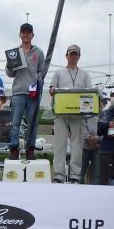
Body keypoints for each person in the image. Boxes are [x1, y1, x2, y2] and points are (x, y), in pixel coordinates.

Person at [49, 44, 93, 183]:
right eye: (71, 53)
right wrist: (54, 90)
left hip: (78, 114)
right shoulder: (58, 72)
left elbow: (90, 93)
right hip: (61, 113)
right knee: (59, 144)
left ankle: (75, 174)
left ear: (79, 56)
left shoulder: (85, 74)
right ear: (66, 55)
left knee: (77, 145)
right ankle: (59, 175)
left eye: (76, 54)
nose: (73, 56)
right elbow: (51, 89)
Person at [5, 22, 45, 159]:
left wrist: (38, 83)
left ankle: (30, 149)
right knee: (15, 123)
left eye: (28, 32)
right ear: (20, 35)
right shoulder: (14, 52)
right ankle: (14, 148)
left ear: (32, 35)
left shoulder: (38, 52)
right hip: (18, 92)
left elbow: (42, 71)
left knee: (32, 123)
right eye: (24, 32)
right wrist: (10, 65)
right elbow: (10, 74)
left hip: (33, 93)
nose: (26, 35)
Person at [82, 93, 108, 184]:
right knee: (81, 171)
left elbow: (105, 129)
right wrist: (88, 138)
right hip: (83, 145)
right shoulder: (85, 109)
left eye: (105, 102)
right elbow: (81, 126)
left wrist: (96, 139)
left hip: (97, 147)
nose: (103, 103)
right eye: (102, 100)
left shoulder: (104, 113)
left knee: (97, 173)